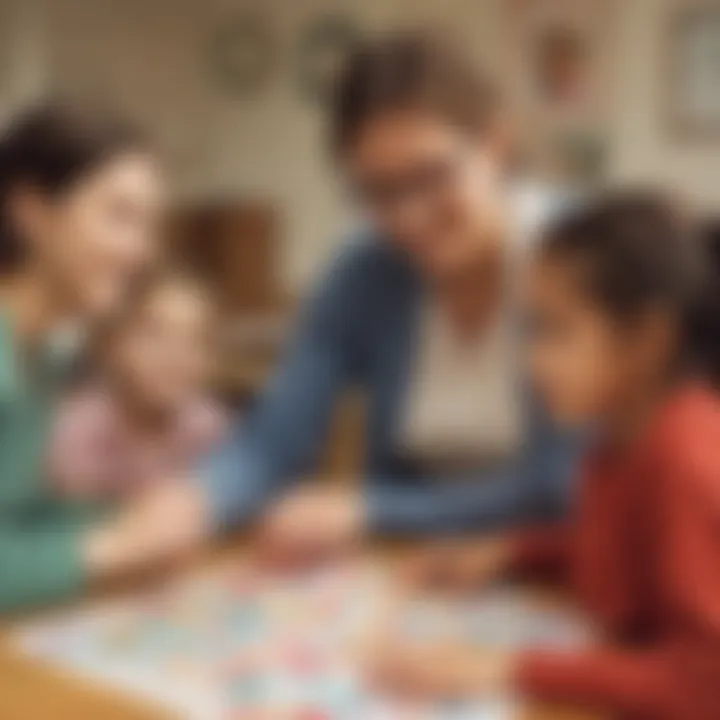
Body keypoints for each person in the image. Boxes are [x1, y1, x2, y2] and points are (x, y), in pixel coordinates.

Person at [199, 30, 580, 561]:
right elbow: (274, 441)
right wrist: (191, 502)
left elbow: (556, 488)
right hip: (412, 568)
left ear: (495, 144)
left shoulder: (578, 258)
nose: (408, 216)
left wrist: (367, 509)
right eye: (376, 191)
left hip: (555, 565)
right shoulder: (365, 269)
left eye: (431, 176)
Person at [369, 194, 720, 719]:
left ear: (647, 341)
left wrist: (509, 667)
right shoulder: (619, 432)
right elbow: (623, 553)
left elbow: (707, 684)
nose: (531, 360)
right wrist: (512, 554)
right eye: (530, 330)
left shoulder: (687, 456)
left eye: (555, 330)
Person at [0, 101, 201, 611]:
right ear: (32, 214)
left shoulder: (43, 353)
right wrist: (114, 547)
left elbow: (14, 517)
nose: (142, 251)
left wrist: (122, 517)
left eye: (147, 225)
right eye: (119, 216)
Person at [50, 270, 227, 501]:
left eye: (197, 340)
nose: (176, 356)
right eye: (155, 335)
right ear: (112, 343)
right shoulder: (80, 429)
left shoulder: (208, 426)